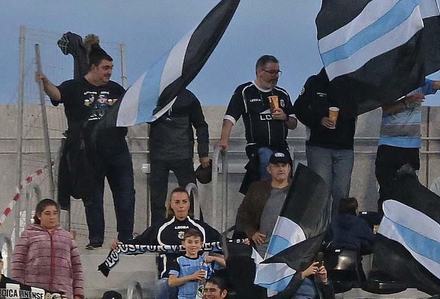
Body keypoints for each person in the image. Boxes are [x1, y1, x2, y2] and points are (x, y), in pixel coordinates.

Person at [37, 44, 135, 247]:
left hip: (117, 150)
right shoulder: (74, 87)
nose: (109, 72)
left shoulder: (116, 89)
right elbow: (57, 95)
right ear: (93, 68)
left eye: (111, 68)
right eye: (105, 68)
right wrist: (46, 83)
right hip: (89, 153)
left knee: (125, 195)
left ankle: (126, 238)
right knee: (93, 197)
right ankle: (96, 238)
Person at [219, 54, 297, 190]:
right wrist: (224, 140)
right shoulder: (245, 91)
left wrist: (284, 117)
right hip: (257, 146)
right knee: (267, 159)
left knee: (284, 167)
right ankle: (265, 197)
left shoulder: (282, 94)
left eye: (278, 72)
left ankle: (281, 202)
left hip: (281, 146)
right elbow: (229, 118)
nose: (276, 76)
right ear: (260, 72)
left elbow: (294, 123)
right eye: (272, 72)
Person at [376, 67, 440, 187]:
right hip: (389, 143)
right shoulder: (388, 83)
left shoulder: (419, 82)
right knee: (386, 189)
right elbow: (386, 108)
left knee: (409, 190)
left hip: (411, 145)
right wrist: (406, 102)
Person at [144, 86, 209, 228]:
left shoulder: (189, 98)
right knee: (157, 200)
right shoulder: (154, 97)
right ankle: (157, 233)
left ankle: (199, 230)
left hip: (182, 155)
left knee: (191, 196)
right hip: (158, 155)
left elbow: (201, 125)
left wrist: (203, 154)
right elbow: (144, 117)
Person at [293, 68, 357, 206]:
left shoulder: (352, 84)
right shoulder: (315, 82)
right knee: (320, 192)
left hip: (345, 147)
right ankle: (321, 228)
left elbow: (365, 102)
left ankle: (338, 226)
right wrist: (319, 120)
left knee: (342, 194)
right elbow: (299, 108)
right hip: (318, 146)